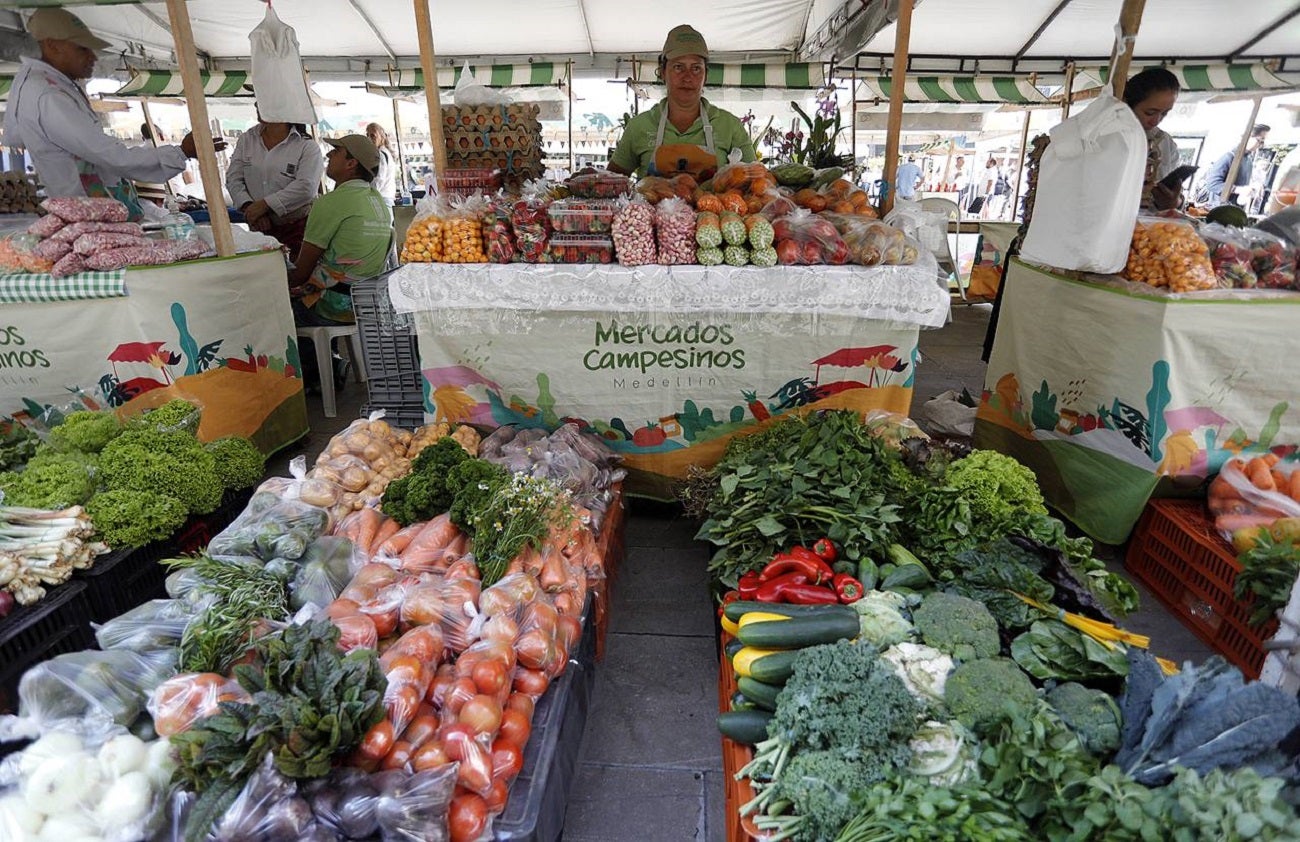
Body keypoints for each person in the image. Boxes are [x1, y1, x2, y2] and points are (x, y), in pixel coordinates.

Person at [4, 8, 222, 221]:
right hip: (86, 216)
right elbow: (110, 155)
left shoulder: (48, 86)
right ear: (52, 46)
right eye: (83, 49)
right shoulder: (49, 95)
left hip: (87, 212)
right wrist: (181, 152)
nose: (93, 57)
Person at [607, 25, 755, 181]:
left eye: (696, 68)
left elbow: (757, 183)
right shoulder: (638, 126)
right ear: (663, 72)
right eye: (678, 67)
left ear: (706, 75)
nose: (687, 77)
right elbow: (611, 182)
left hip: (714, 207)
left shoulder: (730, 126)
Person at [226, 110, 325, 262]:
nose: (257, 106)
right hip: (258, 227)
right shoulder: (247, 139)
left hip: (296, 228)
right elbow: (233, 178)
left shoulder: (307, 146)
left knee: (294, 277)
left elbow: (306, 187)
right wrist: (249, 207)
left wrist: (265, 205)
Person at [1122, 67, 1182, 211]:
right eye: (1150, 112)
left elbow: (1176, 201)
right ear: (1128, 104)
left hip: (1150, 229)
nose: (1156, 120)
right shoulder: (1106, 139)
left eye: (1164, 113)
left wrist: (1174, 203)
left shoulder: (1166, 143)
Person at [1195, 124, 1270, 208]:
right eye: (1260, 140)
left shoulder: (1249, 161)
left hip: (1235, 210)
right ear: (1248, 137)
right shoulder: (1229, 157)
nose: (1261, 145)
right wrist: (1237, 189)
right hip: (1219, 211)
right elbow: (1212, 183)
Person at [365, 122, 398, 206]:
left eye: (373, 136)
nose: (369, 138)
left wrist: (367, 195)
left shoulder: (381, 155)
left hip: (382, 200)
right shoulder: (384, 153)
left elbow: (379, 179)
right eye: (367, 135)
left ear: (382, 138)